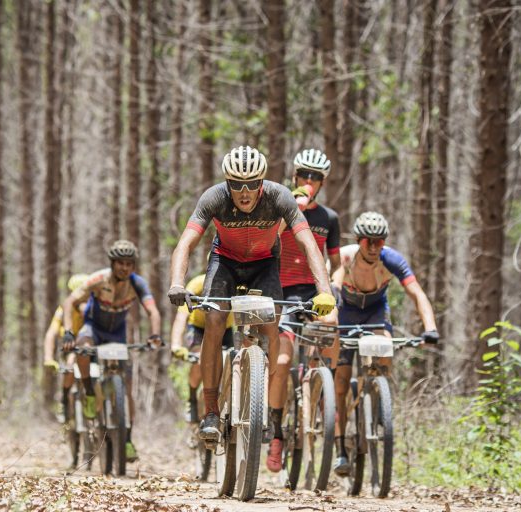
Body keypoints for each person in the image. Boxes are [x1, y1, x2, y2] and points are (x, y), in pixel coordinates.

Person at [167, 145, 337, 445]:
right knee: (215, 321)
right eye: (236, 185)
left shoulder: (279, 197)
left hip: (264, 263)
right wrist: (177, 283)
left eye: (252, 184)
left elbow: (308, 243)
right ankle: (211, 412)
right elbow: (185, 243)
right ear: (227, 182)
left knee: (272, 328)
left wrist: (325, 291)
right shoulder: (214, 197)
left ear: (262, 182)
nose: (244, 193)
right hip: (225, 262)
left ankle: (264, 407)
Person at [331, 211, 440, 475]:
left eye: (379, 241)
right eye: (368, 241)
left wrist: (430, 329)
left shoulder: (392, 259)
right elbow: (332, 286)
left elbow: (417, 294)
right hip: (345, 313)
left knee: (385, 348)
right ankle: (340, 449)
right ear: (358, 240)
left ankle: (378, 396)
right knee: (340, 383)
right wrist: (329, 319)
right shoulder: (346, 257)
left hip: (375, 312)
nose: (373, 247)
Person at [267, 148, 342, 472]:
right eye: (304, 175)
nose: (309, 181)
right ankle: (276, 434)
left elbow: (336, 262)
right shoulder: (280, 208)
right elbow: (266, 241)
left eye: (316, 177)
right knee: (283, 361)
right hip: (280, 291)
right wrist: (292, 210)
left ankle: (324, 388)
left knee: (332, 323)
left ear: (323, 182)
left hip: (311, 291)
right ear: (294, 176)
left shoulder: (329, 218)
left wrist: (334, 286)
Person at [62, 240, 162, 462]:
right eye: (120, 263)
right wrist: (68, 332)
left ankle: (127, 440)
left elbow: (153, 311)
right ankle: (89, 390)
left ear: (133, 265)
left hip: (117, 333)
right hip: (93, 328)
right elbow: (70, 302)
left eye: (129, 264)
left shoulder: (138, 284)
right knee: (82, 349)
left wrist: (155, 335)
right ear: (112, 263)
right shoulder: (98, 279)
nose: (124, 268)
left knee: (126, 387)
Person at [170, 273, 235, 423]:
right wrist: (176, 345)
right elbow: (181, 318)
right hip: (198, 327)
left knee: (232, 362)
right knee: (200, 360)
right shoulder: (197, 284)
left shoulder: (233, 283)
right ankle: (192, 398)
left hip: (225, 327)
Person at [42, 273, 89, 423]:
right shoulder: (63, 310)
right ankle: (65, 400)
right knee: (70, 365)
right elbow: (51, 334)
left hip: (91, 345)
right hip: (71, 346)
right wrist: (48, 358)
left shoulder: (95, 306)